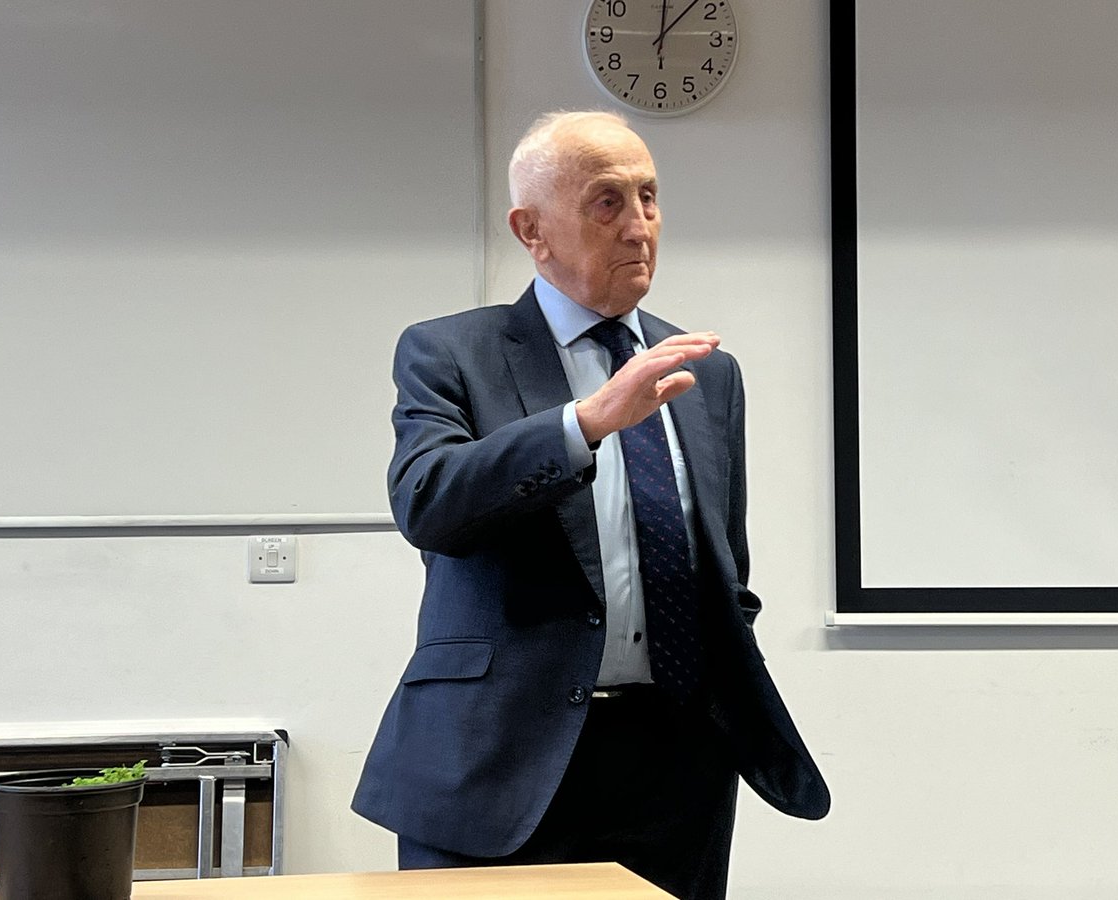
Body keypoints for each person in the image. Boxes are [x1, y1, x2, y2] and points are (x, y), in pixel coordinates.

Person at [352, 110, 829, 899]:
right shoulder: (449, 352)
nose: (639, 226)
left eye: (649, 197)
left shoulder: (707, 373)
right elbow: (428, 501)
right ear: (531, 230)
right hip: (501, 757)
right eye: (608, 202)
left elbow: (725, 566)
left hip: (676, 767)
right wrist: (586, 423)